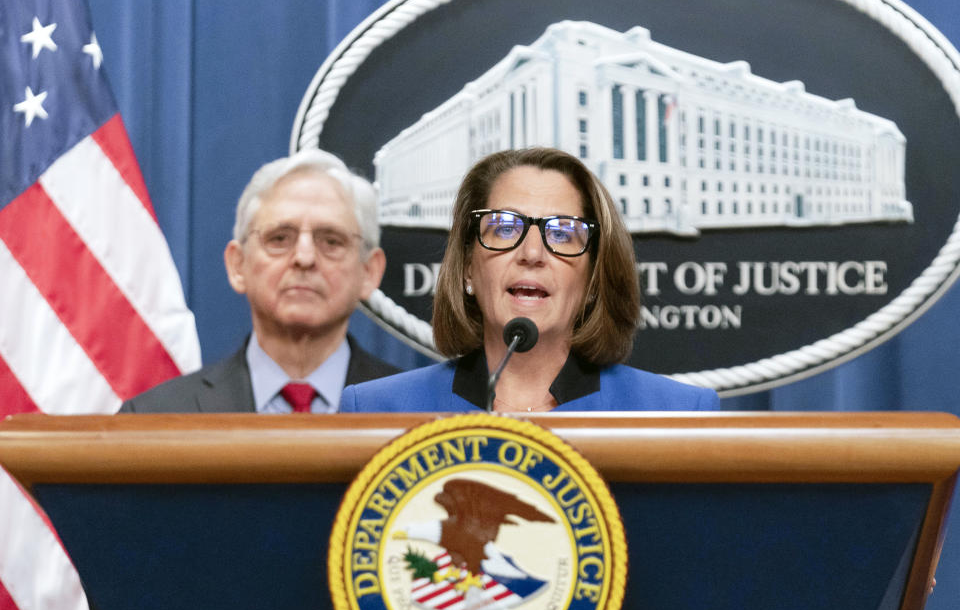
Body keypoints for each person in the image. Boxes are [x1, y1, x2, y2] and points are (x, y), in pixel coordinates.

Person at [340, 147, 718, 412]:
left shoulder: (676, 415)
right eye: (505, 228)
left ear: (592, 278)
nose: (532, 254)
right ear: (468, 268)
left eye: (562, 233)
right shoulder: (376, 411)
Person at [121, 149, 398, 413]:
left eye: (331, 241)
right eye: (279, 239)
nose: (304, 257)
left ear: (369, 271)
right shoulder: (156, 418)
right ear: (238, 265)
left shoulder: (420, 413)